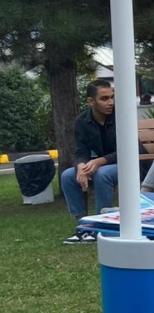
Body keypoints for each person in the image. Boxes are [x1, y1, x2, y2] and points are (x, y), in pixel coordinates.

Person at [62, 80, 119, 244]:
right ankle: (84, 227)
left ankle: (101, 226)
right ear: (90, 101)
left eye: (112, 97)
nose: (110, 102)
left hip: (133, 165)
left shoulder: (121, 115)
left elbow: (129, 150)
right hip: (107, 165)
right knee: (67, 176)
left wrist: (101, 160)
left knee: (102, 174)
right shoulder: (82, 121)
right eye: (105, 98)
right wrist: (80, 166)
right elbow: (81, 151)